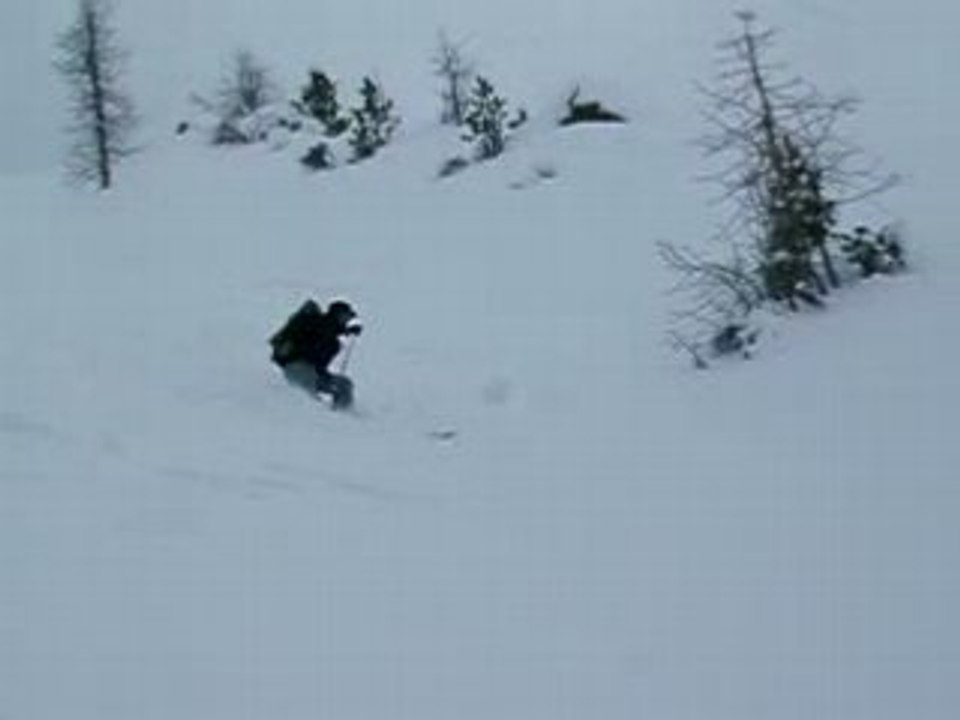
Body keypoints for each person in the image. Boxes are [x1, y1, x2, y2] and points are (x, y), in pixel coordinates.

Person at [270, 299, 362, 409]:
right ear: (338, 314)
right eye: (346, 316)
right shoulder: (319, 322)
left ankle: (342, 415)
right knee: (309, 401)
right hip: (297, 367)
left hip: (314, 372)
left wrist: (347, 332)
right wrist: (346, 331)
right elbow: (325, 332)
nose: (347, 320)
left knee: (344, 384)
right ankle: (315, 417)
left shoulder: (332, 336)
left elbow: (329, 334)